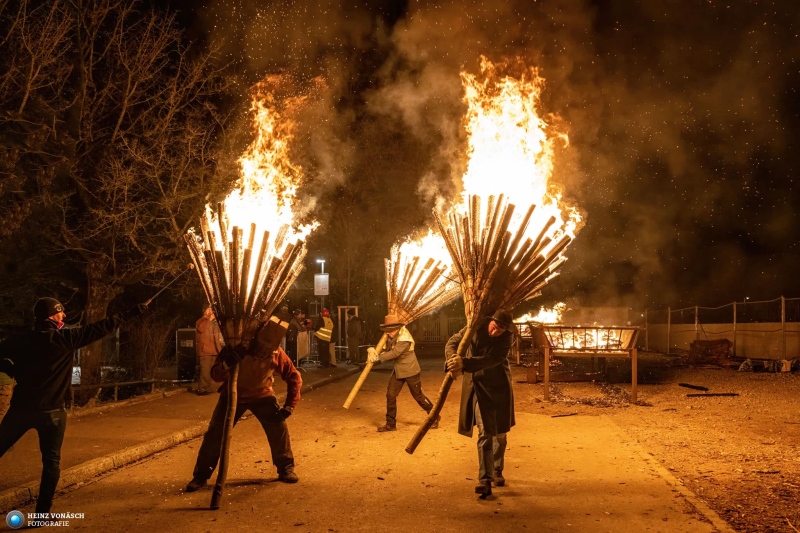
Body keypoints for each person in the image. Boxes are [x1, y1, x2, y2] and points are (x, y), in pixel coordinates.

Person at [0, 297, 145, 515]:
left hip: (21, 409)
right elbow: (100, 328)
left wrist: (11, 371)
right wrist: (132, 312)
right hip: (53, 413)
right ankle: (42, 514)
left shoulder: (20, 340)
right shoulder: (65, 339)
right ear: (51, 315)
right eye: (61, 312)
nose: (64, 316)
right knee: (51, 463)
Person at [186, 314, 303, 491]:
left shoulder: (272, 350)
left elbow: (293, 376)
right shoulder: (233, 348)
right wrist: (227, 363)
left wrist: (290, 405)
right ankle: (200, 476)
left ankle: (286, 468)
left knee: (278, 430)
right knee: (214, 436)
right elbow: (215, 375)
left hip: (262, 395)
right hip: (232, 396)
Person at [445, 309, 515, 497]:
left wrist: (464, 363)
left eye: (500, 330)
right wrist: (453, 361)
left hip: (498, 386)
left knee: (500, 432)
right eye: (494, 327)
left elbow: (493, 359)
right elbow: (452, 342)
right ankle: (485, 479)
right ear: (490, 321)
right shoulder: (475, 326)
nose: (495, 332)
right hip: (477, 386)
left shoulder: (508, 338)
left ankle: (498, 468)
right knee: (485, 432)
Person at [367, 314, 439, 432]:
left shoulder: (404, 337)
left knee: (418, 397)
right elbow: (385, 348)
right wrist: (371, 349)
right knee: (390, 395)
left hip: (411, 371)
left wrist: (378, 357)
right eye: (387, 330)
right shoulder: (392, 335)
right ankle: (390, 424)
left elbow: (395, 353)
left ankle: (434, 416)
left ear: (398, 328)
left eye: (391, 330)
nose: (388, 333)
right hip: (399, 371)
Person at [195, 306, 224, 395]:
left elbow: (217, 336)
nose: (211, 311)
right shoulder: (201, 321)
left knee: (213, 371)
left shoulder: (215, 323)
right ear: (205, 310)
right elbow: (201, 328)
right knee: (205, 371)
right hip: (205, 351)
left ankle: (210, 388)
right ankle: (202, 389)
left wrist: (220, 349)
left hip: (214, 351)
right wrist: (209, 319)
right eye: (209, 309)